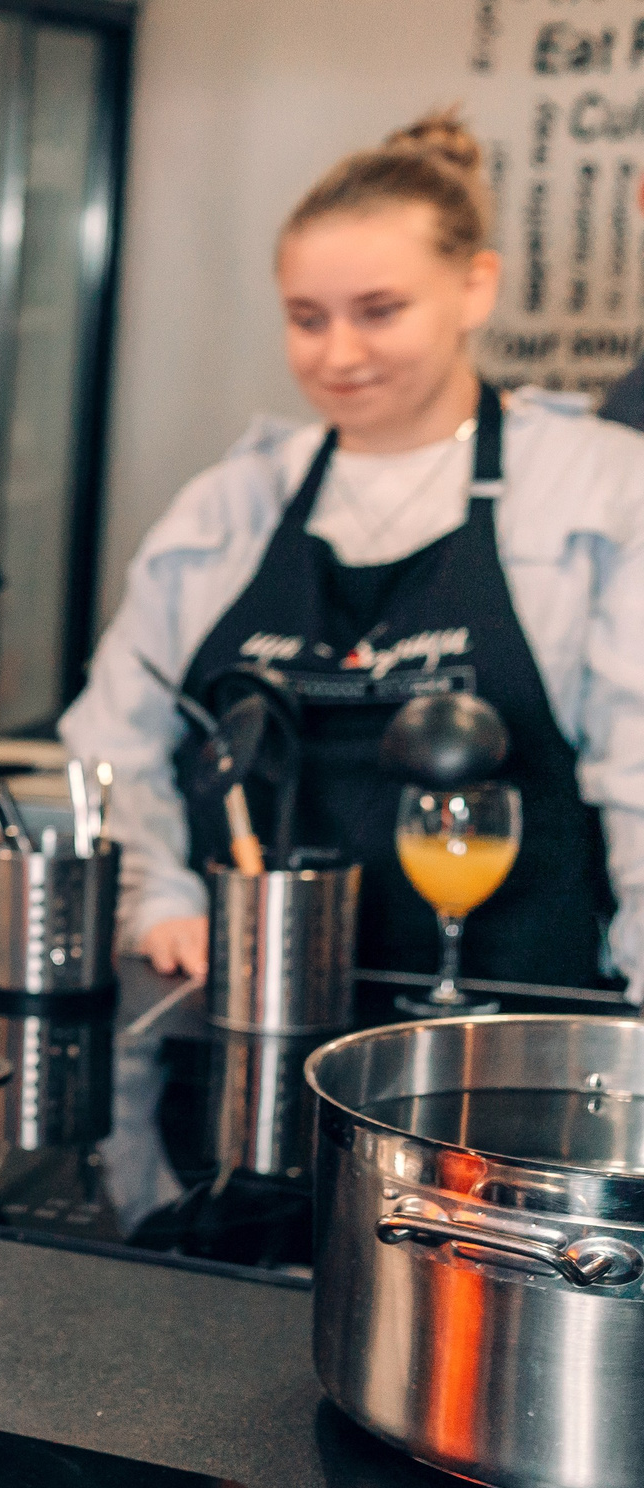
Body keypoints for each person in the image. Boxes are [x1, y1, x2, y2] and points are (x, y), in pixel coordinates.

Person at [61, 112, 644, 994]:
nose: (339, 354)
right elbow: (115, 743)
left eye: (380, 312)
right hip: (252, 1009)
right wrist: (156, 899)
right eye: (307, 319)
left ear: (475, 288)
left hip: (514, 1020)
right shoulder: (232, 505)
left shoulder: (594, 489)